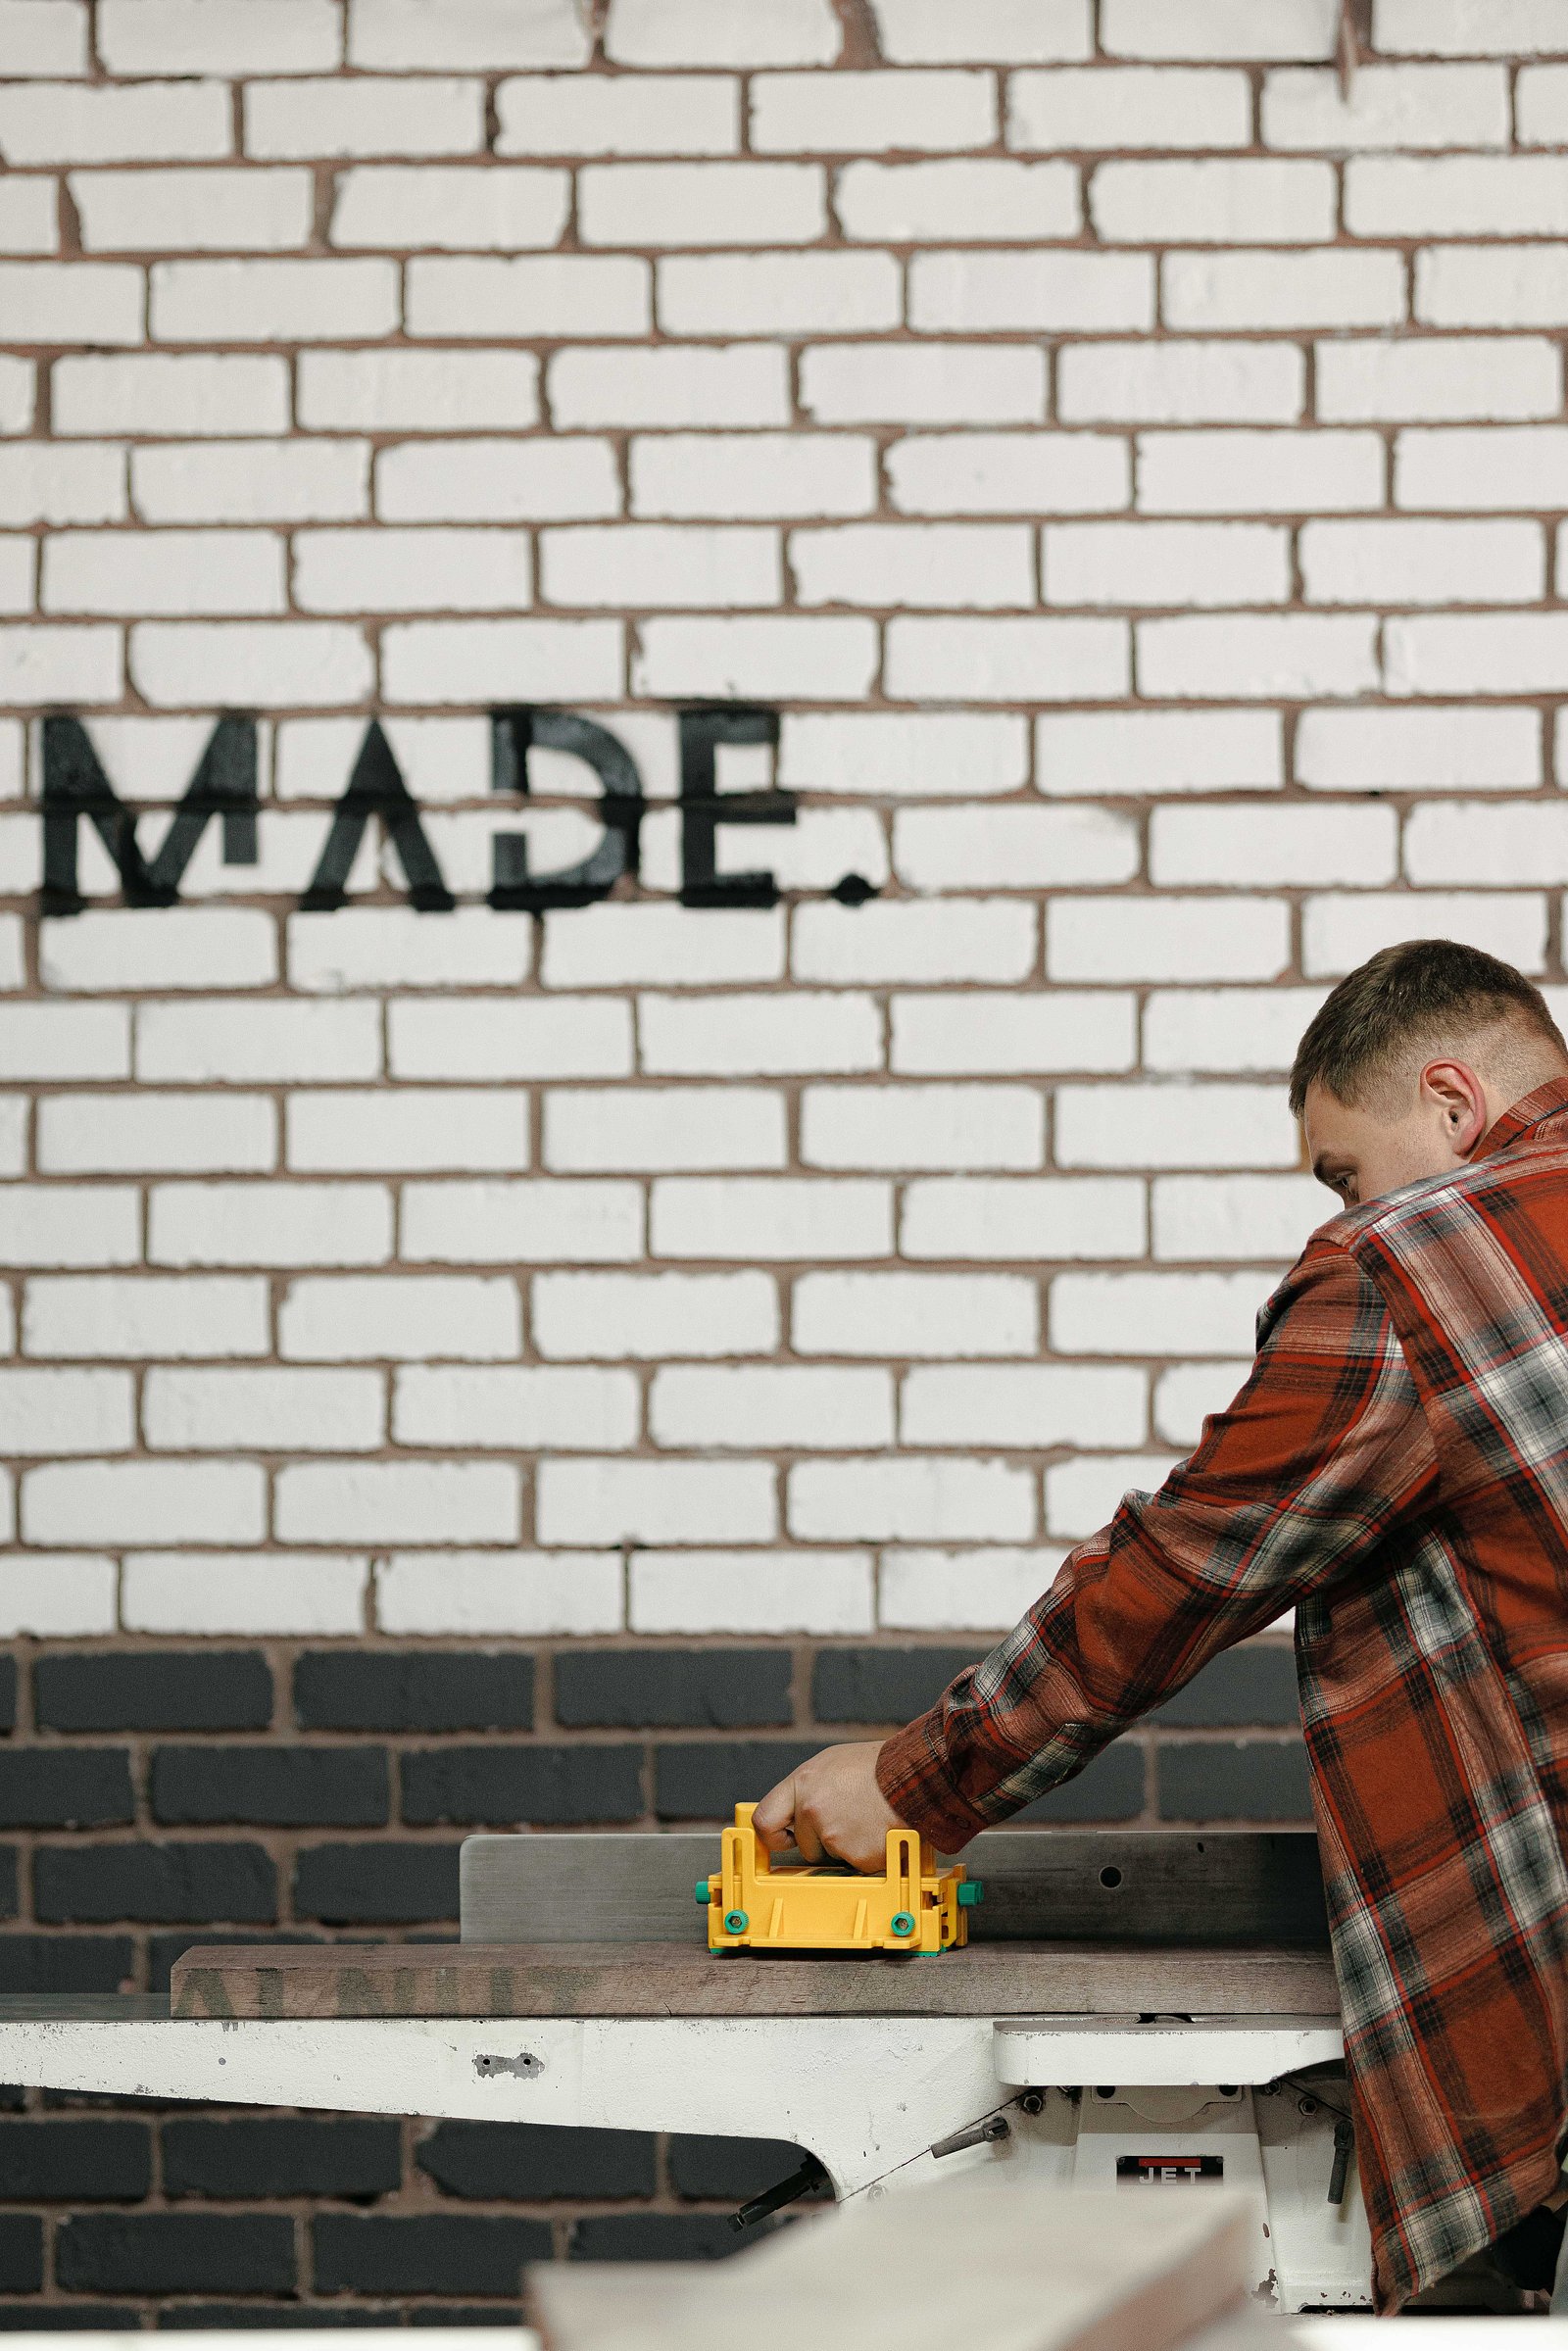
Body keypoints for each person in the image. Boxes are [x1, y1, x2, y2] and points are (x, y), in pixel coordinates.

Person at [754, 937, 1568, 2314]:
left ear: (1452, 1102)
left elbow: (1188, 1566)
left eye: (1344, 1173)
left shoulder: (1415, 1270)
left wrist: (912, 1784)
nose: (1341, 1212)